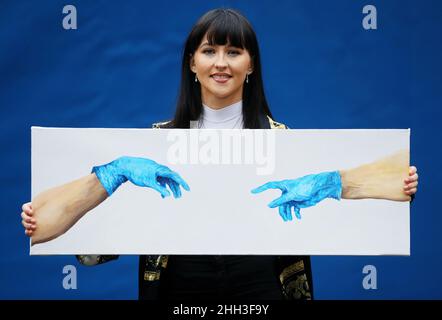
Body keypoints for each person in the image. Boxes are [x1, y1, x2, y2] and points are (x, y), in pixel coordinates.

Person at [20, 8, 419, 300]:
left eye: (234, 52)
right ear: (192, 63)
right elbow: (82, 247)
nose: (221, 63)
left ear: (251, 64)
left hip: (262, 285)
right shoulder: (153, 145)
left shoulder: (286, 141)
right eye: (210, 51)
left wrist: (378, 184)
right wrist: (114, 172)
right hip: (179, 288)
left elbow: (383, 200)